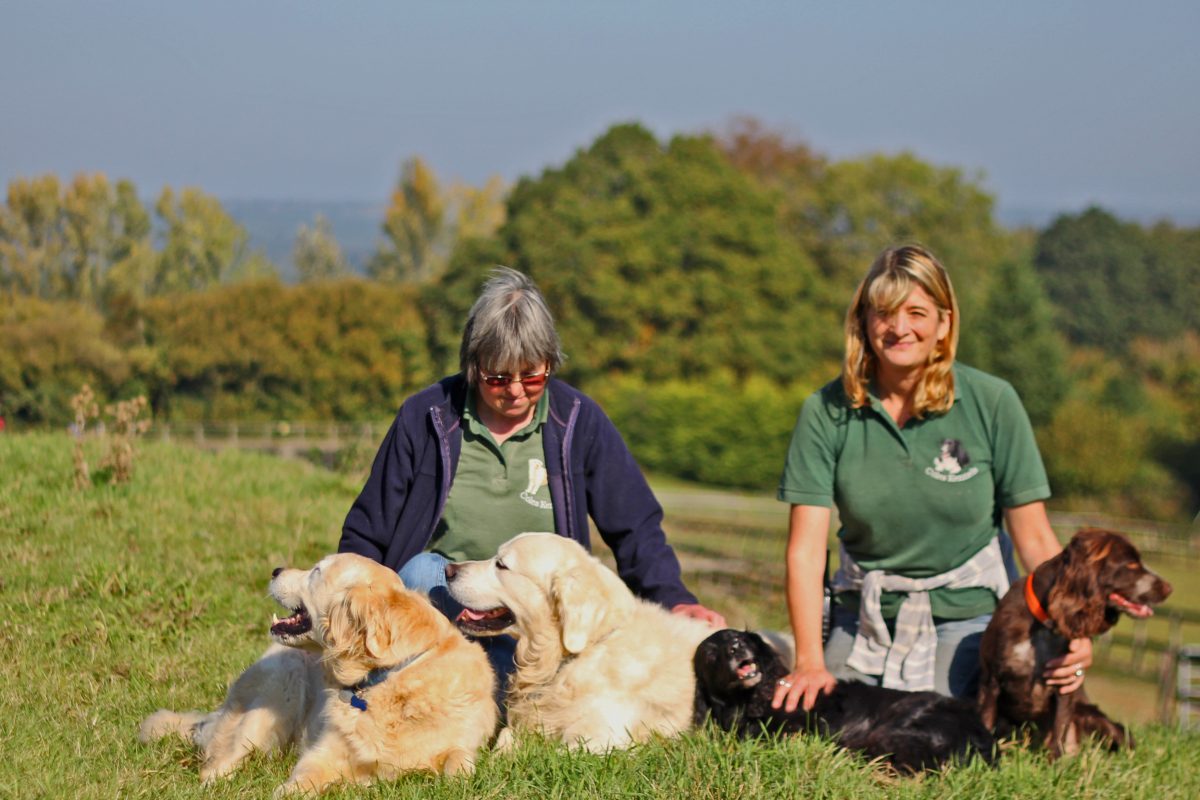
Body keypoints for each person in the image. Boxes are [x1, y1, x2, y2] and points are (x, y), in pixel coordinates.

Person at [339, 266, 725, 689]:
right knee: (418, 574)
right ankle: (455, 685)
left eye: (533, 376)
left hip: (530, 619)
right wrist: (347, 609)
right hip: (446, 601)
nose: (517, 390)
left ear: (550, 363)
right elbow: (369, 528)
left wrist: (675, 599)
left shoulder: (579, 421)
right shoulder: (425, 417)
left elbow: (636, 528)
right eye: (498, 378)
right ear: (473, 366)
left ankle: (495, 690)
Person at [771, 244, 1091, 713]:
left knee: (938, 727)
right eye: (883, 313)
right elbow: (804, 551)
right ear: (862, 321)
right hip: (863, 617)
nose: (899, 328)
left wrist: (1073, 628)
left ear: (944, 323)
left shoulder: (993, 402)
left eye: (916, 312)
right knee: (832, 723)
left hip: (966, 619)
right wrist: (809, 661)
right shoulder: (825, 411)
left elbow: (1036, 537)